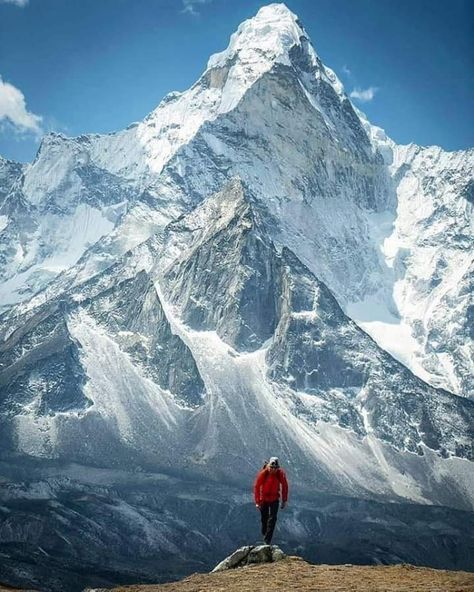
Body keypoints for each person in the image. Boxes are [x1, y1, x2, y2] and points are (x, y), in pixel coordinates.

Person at [253, 456, 289, 545]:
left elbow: (285, 486)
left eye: (275, 468)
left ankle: (267, 540)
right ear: (269, 466)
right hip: (264, 499)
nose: (273, 470)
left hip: (274, 499)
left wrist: (284, 500)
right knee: (264, 519)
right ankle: (264, 534)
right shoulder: (264, 473)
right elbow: (256, 486)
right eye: (272, 467)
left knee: (273, 519)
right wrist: (257, 502)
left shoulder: (280, 474)